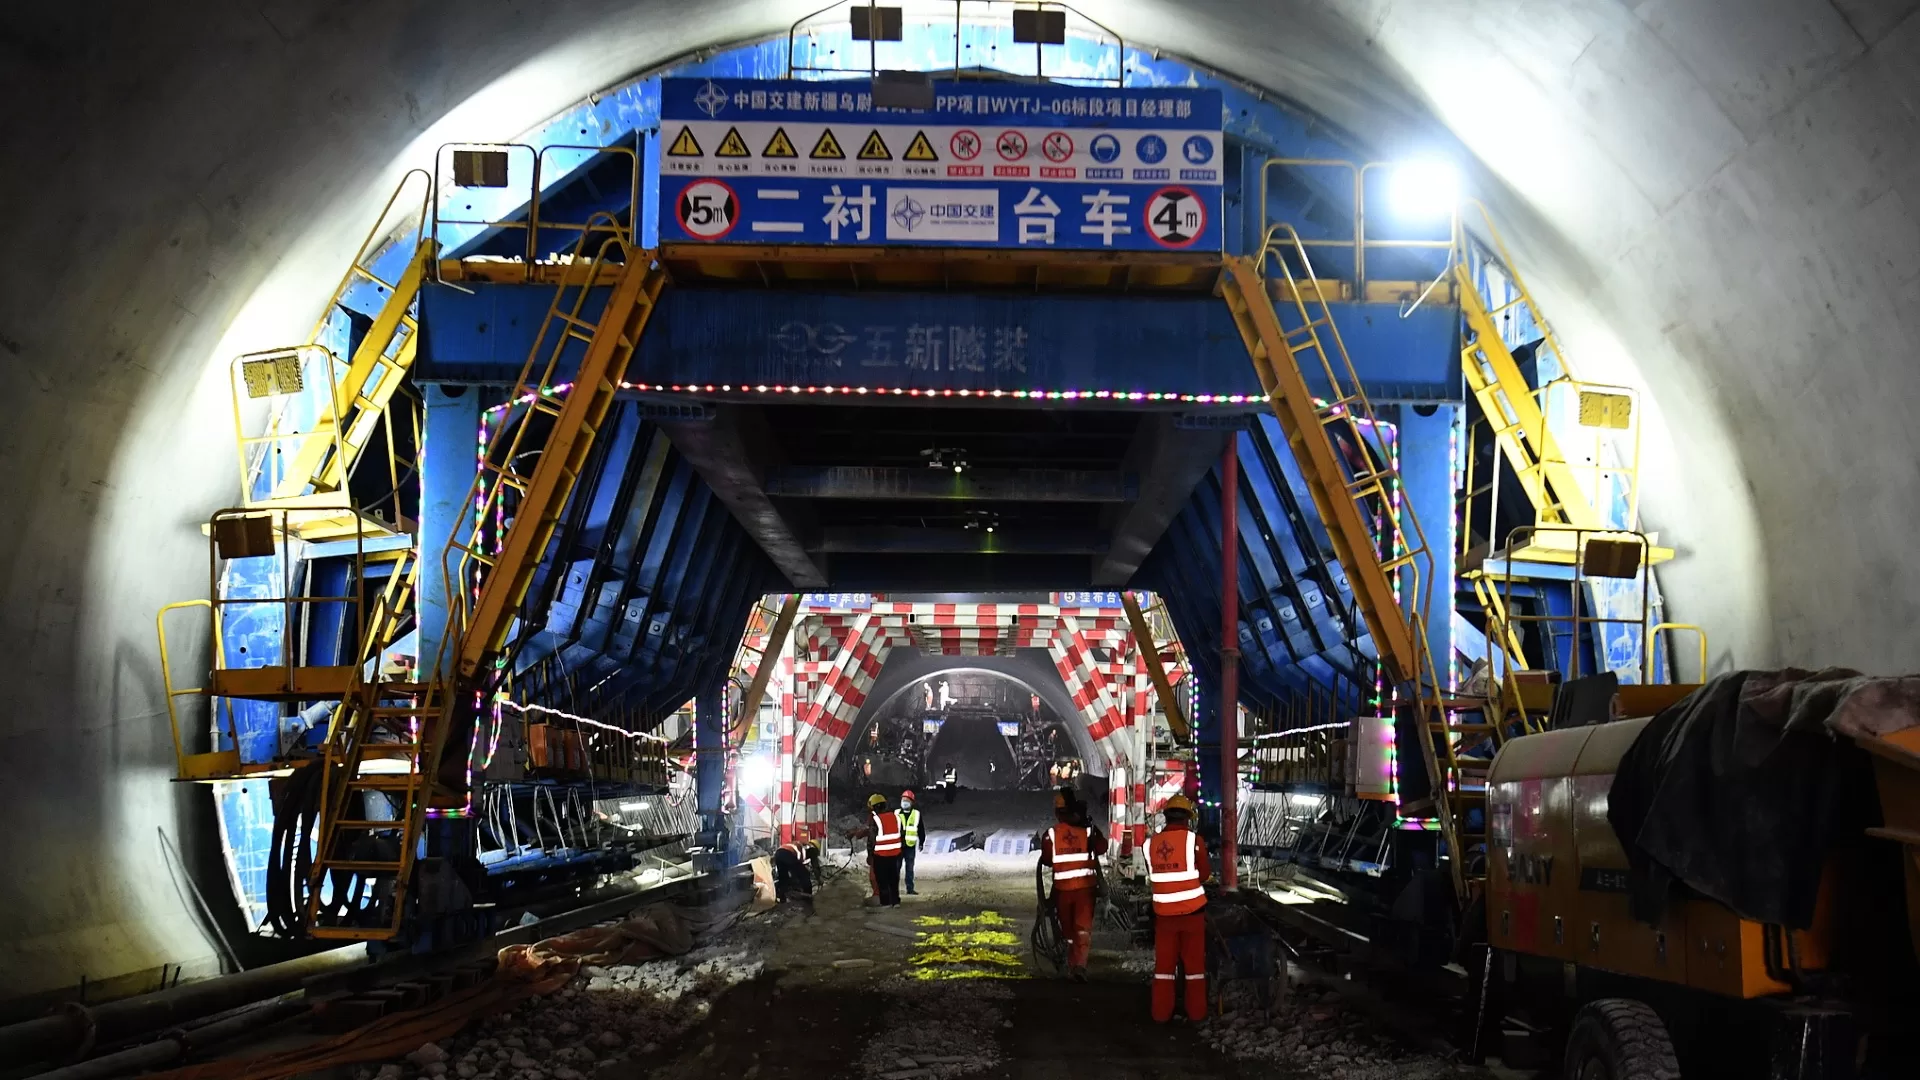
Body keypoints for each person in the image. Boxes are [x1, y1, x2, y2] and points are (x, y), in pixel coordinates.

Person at [1148, 793, 1211, 1022]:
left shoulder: (1151, 844)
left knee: (1164, 969)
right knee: (1194, 969)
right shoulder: (1194, 841)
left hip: (1164, 917)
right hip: (1192, 915)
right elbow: (1204, 874)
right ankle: (1196, 1014)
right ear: (1187, 818)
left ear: (1166, 817)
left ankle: (1161, 1014)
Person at [1039, 789, 1107, 981]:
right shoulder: (1088, 830)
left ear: (1058, 813)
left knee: (1068, 929)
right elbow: (1102, 848)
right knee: (1082, 928)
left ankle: (1072, 964)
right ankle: (1078, 965)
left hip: (1062, 891)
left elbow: (1046, 859)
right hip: (1086, 890)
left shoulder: (1050, 835)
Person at [865, 792, 905, 907]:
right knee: (894, 878)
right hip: (896, 854)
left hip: (881, 855)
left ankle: (886, 903)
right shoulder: (896, 817)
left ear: (876, 807)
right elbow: (902, 834)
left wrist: (870, 855)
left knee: (882, 880)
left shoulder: (876, 819)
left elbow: (871, 840)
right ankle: (895, 901)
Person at [773, 833, 819, 906]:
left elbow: (795, 867)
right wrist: (819, 878)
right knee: (805, 874)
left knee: (783, 877)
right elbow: (815, 865)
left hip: (778, 853)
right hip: (787, 853)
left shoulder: (800, 844)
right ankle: (808, 898)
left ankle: (782, 899)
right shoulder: (811, 848)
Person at [898, 789, 926, 895]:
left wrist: (922, 842)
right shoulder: (896, 813)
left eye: (907, 800)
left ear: (912, 802)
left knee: (909, 868)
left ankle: (910, 888)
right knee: (896, 868)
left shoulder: (916, 814)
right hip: (898, 845)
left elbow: (921, 829)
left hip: (910, 845)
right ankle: (894, 888)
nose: (904, 802)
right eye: (903, 799)